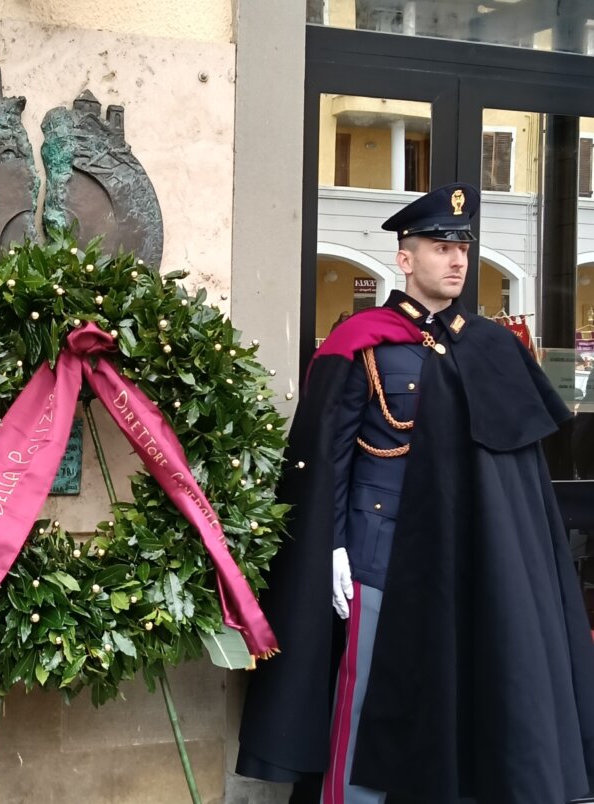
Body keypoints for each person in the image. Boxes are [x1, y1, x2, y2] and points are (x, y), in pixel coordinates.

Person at [236, 184, 594, 803]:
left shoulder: (491, 346)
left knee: (463, 703)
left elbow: (517, 479)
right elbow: (325, 460)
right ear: (405, 258)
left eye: (462, 246)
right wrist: (332, 548)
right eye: (439, 246)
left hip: (466, 559)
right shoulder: (361, 341)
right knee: (368, 705)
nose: (456, 260)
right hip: (380, 559)